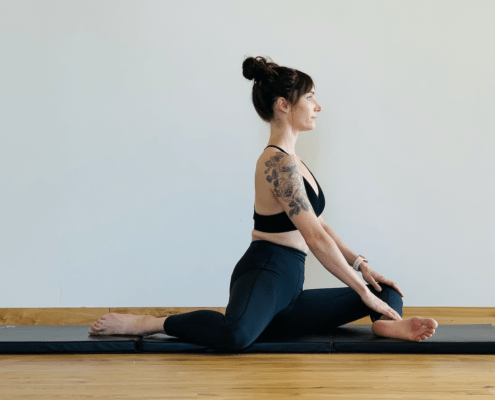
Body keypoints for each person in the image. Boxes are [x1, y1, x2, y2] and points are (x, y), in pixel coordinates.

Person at [88, 56, 438, 348]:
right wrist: (362, 292)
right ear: (284, 105)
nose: (318, 106)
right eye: (310, 98)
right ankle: (149, 322)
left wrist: (362, 266)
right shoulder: (277, 163)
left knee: (386, 289)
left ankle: (384, 324)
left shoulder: (295, 160)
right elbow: (314, 239)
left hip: (290, 284)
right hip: (266, 271)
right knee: (236, 334)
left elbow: (320, 225)